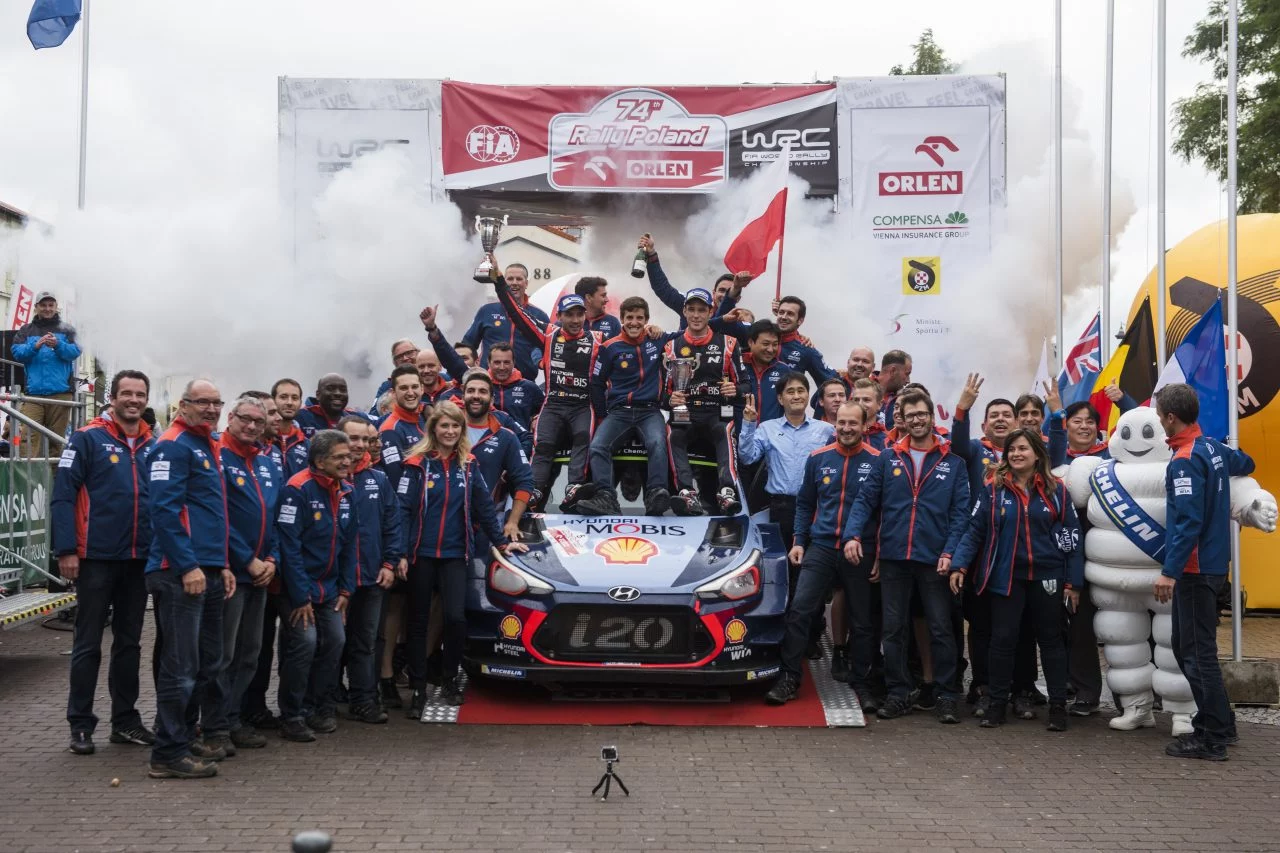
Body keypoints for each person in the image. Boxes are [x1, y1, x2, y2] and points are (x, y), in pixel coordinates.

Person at [1154, 383, 1267, 760]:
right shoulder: (1213, 448)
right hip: (1213, 565)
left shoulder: (1185, 458)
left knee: (1195, 654)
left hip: (1194, 569)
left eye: (1160, 416)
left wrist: (1169, 572)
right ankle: (1222, 724)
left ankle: (1212, 736)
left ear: (1171, 417)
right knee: (1194, 649)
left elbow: (1188, 522)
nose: (1159, 421)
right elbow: (1247, 463)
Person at [843, 389, 969, 724]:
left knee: (941, 629)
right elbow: (865, 500)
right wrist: (852, 534)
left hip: (935, 561)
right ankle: (899, 693)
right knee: (893, 630)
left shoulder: (952, 462)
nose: (916, 419)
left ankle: (945, 695)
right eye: (909, 414)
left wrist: (950, 552)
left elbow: (960, 515)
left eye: (921, 413)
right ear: (902, 417)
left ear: (931, 416)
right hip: (894, 558)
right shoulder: (888, 458)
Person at [395, 403, 527, 717]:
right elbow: (400, 511)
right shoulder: (416, 464)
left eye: (456, 427)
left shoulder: (468, 465)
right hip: (420, 555)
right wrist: (398, 553)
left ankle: (450, 678)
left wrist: (501, 543)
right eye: (444, 427)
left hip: (455, 555)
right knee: (418, 622)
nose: (450, 432)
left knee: (455, 618)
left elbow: (484, 507)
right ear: (433, 430)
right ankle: (417, 688)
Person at [52, 369, 156, 756]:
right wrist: (66, 550)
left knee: (129, 644)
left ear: (145, 400)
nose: (133, 400)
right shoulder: (86, 439)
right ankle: (80, 725)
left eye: (139, 394)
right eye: (126, 393)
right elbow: (63, 496)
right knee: (88, 644)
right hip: (95, 557)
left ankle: (125, 722)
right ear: (112, 398)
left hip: (138, 558)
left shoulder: (152, 444)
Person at [952, 429, 1083, 732]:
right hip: (1006, 576)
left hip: (1047, 576)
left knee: (1051, 641)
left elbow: (1073, 539)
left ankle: (1058, 707)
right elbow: (974, 531)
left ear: (1037, 453)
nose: (1016, 454)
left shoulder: (1057, 490)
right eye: (1012, 449)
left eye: (1023, 448)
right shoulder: (993, 489)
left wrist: (1073, 583)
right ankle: (997, 705)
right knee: (1003, 639)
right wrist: (960, 564)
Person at [145, 379, 234, 779]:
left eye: (217, 403)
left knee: (205, 664)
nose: (212, 409)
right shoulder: (173, 445)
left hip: (209, 569)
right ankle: (167, 752)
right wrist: (187, 566)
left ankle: (185, 735)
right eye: (203, 402)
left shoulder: (206, 444)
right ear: (183, 405)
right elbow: (165, 512)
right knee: (180, 668)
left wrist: (222, 564)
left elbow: (209, 514)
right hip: (181, 574)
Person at [766, 400, 881, 710]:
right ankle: (789, 677)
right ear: (834, 424)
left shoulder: (878, 460)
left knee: (863, 620)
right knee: (800, 610)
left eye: (852, 423)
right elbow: (805, 504)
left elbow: (884, 512)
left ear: (865, 425)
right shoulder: (818, 459)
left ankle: (862, 683)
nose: (846, 428)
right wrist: (799, 541)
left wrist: (879, 554)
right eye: (841, 423)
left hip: (861, 551)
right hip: (822, 547)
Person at [488, 258, 601, 511]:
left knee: (584, 437)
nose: (574, 319)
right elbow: (517, 314)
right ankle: (535, 491)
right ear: (559, 316)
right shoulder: (549, 335)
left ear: (585, 315)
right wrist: (498, 282)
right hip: (554, 402)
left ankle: (575, 487)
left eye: (579, 314)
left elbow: (627, 342)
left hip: (582, 405)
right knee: (544, 444)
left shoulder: (598, 338)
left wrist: (653, 331)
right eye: (569, 315)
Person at [739, 373, 835, 653]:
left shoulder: (825, 430)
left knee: (812, 575)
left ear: (808, 396)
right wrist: (747, 423)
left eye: (801, 390)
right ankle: (782, 634)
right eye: (790, 391)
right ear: (780, 399)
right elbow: (747, 457)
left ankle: (812, 637)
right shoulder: (767, 428)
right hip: (780, 509)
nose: (796, 395)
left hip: (817, 510)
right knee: (783, 574)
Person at [274, 429, 357, 743]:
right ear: (319, 461)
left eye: (348, 456)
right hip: (299, 590)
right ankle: (291, 714)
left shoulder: (346, 490)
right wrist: (300, 596)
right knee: (305, 644)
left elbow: (350, 544)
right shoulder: (297, 489)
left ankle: (318, 707)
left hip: (331, 589)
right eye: (339, 457)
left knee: (335, 640)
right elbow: (289, 546)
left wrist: (347, 589)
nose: (347, 461)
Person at [209, 396, 281, 754]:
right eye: (245, 419)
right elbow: (219, 517)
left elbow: (278, 516)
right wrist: (246, 559)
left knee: (250, 653)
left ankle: (233, 717)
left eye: (259, 421)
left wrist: (271, 558)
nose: (251, 426)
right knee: (222, 654)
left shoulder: (267, 463)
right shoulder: (217, 458)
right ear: (230, 418)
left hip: (261, 574)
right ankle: (215, 724)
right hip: (232, 574)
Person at [949, 374, 1018, 713]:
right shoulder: (976, 449)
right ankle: (982, 682)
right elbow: (957, 446)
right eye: (995, 416)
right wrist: (963, 408)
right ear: (986, 424)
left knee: (1016, 625)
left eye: (1007, 414)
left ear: (1017, 422)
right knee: (980, 623)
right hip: (978, 551)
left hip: (1018, 550)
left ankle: (1019, 688)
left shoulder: (1026, 454)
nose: (1001, 419)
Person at [339, 416, 404, 725]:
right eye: (354, 439)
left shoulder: (378, 479)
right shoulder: (326, 479)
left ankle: (364, 700)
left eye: (365, 440)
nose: (360, 445)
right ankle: (321, 702)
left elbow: (393, 523)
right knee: (331, 644)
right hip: (334, 581)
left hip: (372, 576)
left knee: (366, 642)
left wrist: (391, 563)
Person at [663, 287, 748, 516]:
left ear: (711, 312)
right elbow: (662, 396)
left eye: (702, 310)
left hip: (720, 407)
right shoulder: (671, 347)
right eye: (692, 310)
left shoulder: (729, 343)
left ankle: (727, 491)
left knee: (725, 428)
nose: (696, 315)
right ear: (684, 312)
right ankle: (686, 492)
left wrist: (735, 389)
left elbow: (747, 386)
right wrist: (670, 398)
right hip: (686, 409)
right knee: (673, 433)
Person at [584, 296, 669, 516]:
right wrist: (602, 415)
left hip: (650, 411)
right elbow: (596, 383)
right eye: (629, 317)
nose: (634, 322)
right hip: (619, 412)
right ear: (621, 319)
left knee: (658, 443)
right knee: (597, 446)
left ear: (646, 320)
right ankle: (606, 497)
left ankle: (656, 494)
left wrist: (724, 314)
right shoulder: (609, 347)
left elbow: (691, 334)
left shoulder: (656, 340)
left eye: (639, 318)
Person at [423, 311, 544, 433]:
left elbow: (547, 411)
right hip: (482, 442)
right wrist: (432, 330)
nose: (502, 367)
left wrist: (536, 418)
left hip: (518, 443)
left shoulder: (529, 388)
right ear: (488, 363)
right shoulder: (478, 381)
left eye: (506, 362)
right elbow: (452, 360)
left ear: (513, 363)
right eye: (497, 362)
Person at [11, 291, 81, 457]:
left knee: (56, 442)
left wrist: (58, 345)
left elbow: (75, 351)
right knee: (27, 439)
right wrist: (35, 346)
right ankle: (28, 482)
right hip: (33, 395)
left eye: (51, 305)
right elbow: (16, 352)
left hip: (61, 394)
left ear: (56, 307)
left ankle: (54, 482)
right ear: (36, 308)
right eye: (43, 305)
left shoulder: (68, 330)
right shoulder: (26, 330)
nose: (47, 309)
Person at [462, 260, 550, 381]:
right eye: (510, 279)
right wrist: (467, 369)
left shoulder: (539, 315)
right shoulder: (487, 311)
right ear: (504, 281)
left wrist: (538, 360)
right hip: (488, 381)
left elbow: (545, 348)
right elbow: (467, 344)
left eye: (519, 279)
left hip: (524, 382)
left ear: (526, 283)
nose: (514, 283)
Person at [638, 234, 735, 328]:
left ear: (737, 297)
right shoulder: (689, 302)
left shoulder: (739, 320)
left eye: (730, 292)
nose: (696, 315)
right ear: (714, 293)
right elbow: (662, 288)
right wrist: (651, 254)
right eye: (722, 290)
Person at [377, 364, 426, 485]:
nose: (410, 393)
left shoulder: (426, 419)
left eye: (414, 387)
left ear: (422, 389)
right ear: (393, 393)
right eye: (404, 388)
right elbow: (397, 481)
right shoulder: (390, 430)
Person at [294, 374, 354, 438]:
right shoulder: (299, 417)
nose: (338, 393)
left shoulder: (356, 418)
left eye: (343, 390)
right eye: (331, 389)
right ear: (318, 395)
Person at [271, 378, 309, 477]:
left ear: (300, 403)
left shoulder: (308, 445)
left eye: (295, 398)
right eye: (283, 397)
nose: (289, 402)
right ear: (273, 400)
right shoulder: (261, 439)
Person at [370, 339, 421, 410]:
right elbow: (374, 414)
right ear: (395, 363)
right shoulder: (387, 386)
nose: (405, 358)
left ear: (418, 353)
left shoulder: (436, 379)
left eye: (409, 353)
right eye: (400, 356)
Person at [877, 350, 912, 430]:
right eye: (907, 374)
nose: (908, 381)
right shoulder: (859, 389)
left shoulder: (905, 399)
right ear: (893, 371)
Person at [850, 379, 888, 450]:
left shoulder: (888, 440)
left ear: (879, 404)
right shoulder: (839, 436)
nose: (860, 404)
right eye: (856, 400)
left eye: (866, 400)